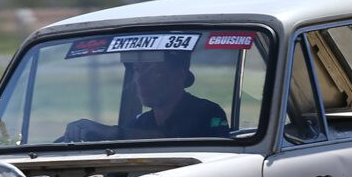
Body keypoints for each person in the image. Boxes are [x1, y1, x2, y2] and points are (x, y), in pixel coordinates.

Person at [62, 51, 230, 141]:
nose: (140, 80)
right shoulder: (139, 122)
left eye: (152, 69)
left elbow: (177, 140)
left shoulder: (208, 113)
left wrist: (112, 133)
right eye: (137, 70)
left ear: (179, 76)